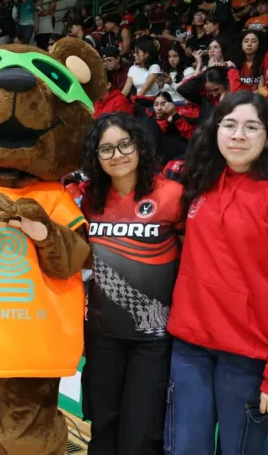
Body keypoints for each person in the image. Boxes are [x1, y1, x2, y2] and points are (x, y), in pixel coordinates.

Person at [165, 91, 268, 455]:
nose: (238, 135)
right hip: (189, 349)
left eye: (251, 127)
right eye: (230, 125)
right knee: (183, 448)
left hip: (246, 358)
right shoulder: (200, 184)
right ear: (216, 130)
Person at [80, 112, 184, 455]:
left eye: (125, 144)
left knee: (141, 432)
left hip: (153, 339)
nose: (118, 155)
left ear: (139, 146)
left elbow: (190, 260)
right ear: (96, 157)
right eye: (106, 149)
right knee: (103, 423)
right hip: (102, 334)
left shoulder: (173, 195)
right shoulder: (91, 200)